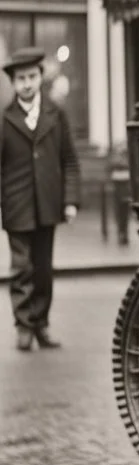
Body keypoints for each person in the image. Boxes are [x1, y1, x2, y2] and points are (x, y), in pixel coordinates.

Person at [0, 47, 81, 352]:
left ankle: (41, 323)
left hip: (48, 204)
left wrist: (69, 200)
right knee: (21, 268)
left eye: (32, 77)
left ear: (40, 78)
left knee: (44, 269)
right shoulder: (4, 118)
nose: (27, 84)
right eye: (21, 78)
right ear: (13, 82)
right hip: (16, 204)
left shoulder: (55, 115)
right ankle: (23, 325)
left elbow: (69, 160)